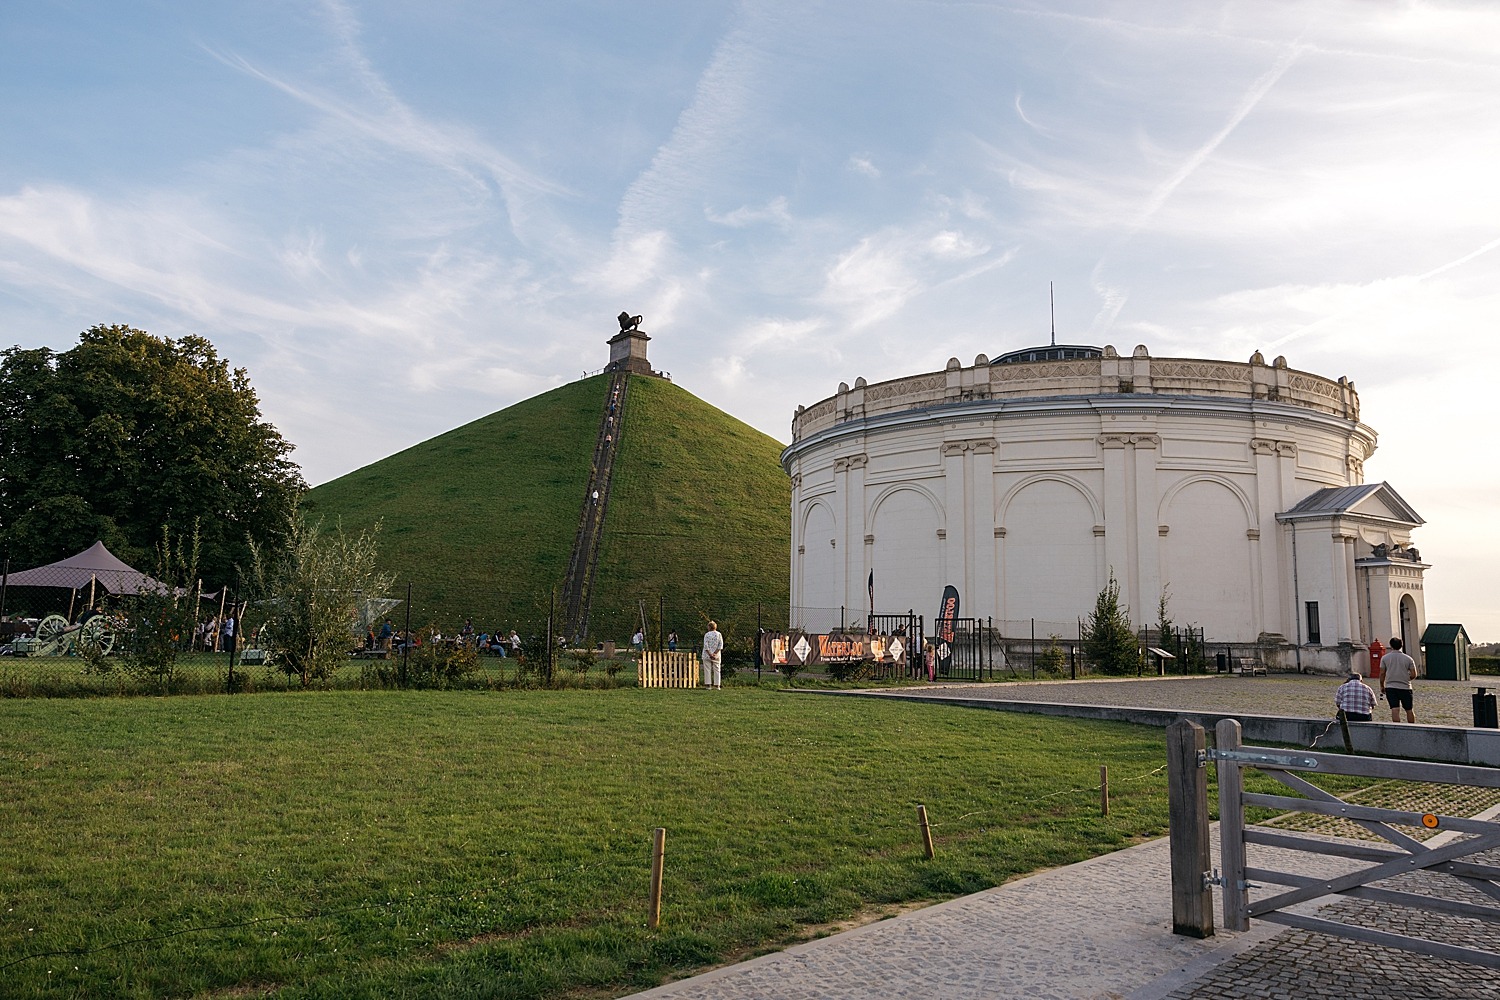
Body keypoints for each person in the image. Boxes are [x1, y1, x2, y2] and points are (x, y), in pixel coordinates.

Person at [1380, 637, 1418, 723]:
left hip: (1390, 686)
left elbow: (1382, 673)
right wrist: (1406, 679)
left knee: (1395, 709)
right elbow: (1413, 674)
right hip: (1405, 687)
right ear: (1401, 645)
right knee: (1409, 709)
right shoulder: (1408, 659)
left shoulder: (1385, 658)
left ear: (1391, 645)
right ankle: (1412, 727)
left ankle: (1397, 727)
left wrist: (1382, 685)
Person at [702, 621, 724, 690]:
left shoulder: (707, 635)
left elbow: (706, 645)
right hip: (716, 655)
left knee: (707, 669)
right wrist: (715, 653)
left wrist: (710, 654)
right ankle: (717, 685)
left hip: (707, 655)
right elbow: (720, 645)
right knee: (717, 669)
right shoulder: (719, 634)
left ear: (709, 627)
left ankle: (708, 685)